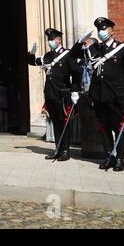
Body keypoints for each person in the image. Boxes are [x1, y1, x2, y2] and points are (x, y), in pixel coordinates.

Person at [70, 18, 124, 171]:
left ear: (112, 31)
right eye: (99, 30)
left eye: (104, 29)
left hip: (117, 96)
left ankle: (120, 159)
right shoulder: (96, 48)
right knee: (104, 128)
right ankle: (109, 156)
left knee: (119, 128)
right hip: (98, 96)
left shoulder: (123, 48)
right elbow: (74, 54)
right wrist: (80, 41)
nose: (101, 32)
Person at [28, 28, 82, 162]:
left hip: (63, 94)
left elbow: (76, 72)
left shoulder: (68, 54)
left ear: (59, 40)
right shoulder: (48, 55)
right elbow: (34, 62)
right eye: (49, 40)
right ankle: (58, 149)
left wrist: (75, 90)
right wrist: (32, 53)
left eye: (52, 39)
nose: (50, 42)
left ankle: (65, 150)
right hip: (51, 94)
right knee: (56, 123)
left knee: (64, 122)